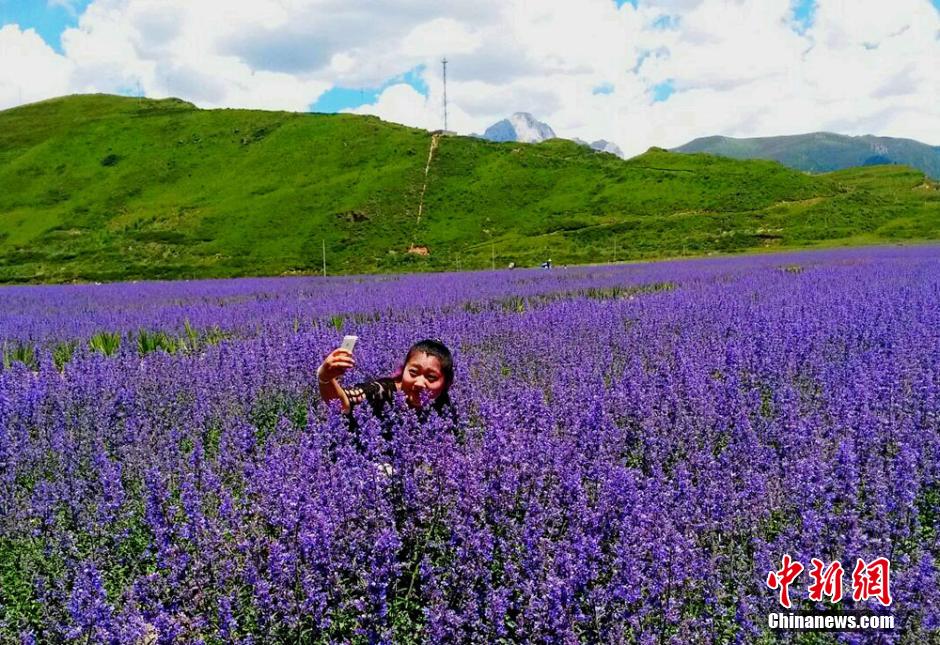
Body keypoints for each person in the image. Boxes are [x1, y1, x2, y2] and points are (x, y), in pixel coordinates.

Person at [317, 339, 455, 422]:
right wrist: (325, 377)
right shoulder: (381, 391)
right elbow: (342, 403)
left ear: (446, 384)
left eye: (431, 377)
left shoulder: (444, 406)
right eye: (413, 372)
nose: (419, 383)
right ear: (403, 371)